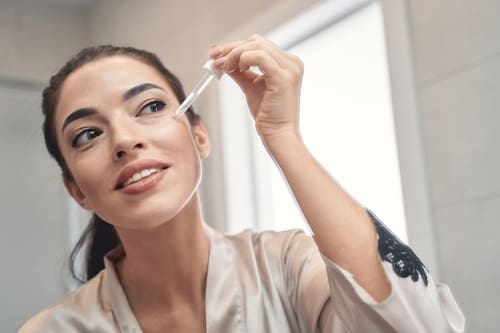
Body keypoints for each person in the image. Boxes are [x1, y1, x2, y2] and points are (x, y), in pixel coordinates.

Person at [19, 35, 464, 332]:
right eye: (88, 134)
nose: (125, 140)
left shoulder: (287, 267)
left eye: (150, 107)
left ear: (199, 135)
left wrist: (282, 135)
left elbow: (414, 325)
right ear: (76, 189)